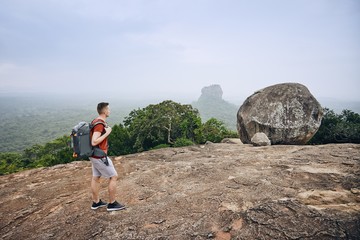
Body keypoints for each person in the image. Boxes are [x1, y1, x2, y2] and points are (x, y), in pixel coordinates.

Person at [89, 102, 125, 212]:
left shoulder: (95, 121)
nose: (110, 111)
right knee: (113, 176)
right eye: (108, 109)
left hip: (93, 155)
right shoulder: (99, 124)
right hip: (99, 156)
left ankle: (96, 202)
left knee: (96, 177)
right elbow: (94, 141)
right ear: (104, 111)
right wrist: (107, 132)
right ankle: (112, 203)